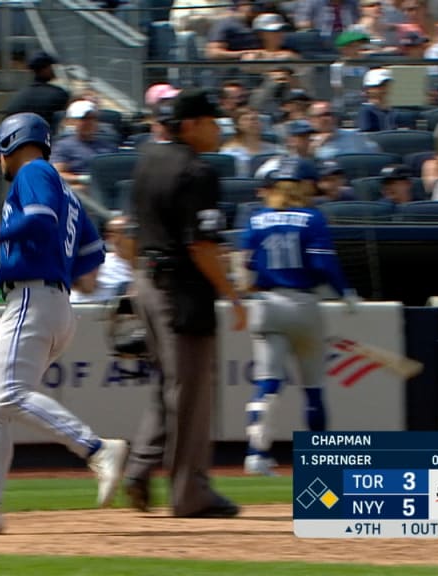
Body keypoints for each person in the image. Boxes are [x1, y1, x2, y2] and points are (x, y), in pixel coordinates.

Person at [0, 112, 127, 535]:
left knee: (6, 395)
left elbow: (40, 220)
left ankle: (96, 448)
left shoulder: (35, 170)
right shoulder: (69, 192)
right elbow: (93, 256)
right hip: (55, 301)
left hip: (32, 299)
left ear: (10, 142)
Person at [123, 88, 245, 518]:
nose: (218, 130)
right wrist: (233, 295)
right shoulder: (198, 172)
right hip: (183, 290)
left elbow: (128, 234)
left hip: (148, 282)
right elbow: (202, 247)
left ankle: (139, 469)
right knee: (191, 393)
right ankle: (190, 491)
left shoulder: (147, 159)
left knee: (167, 386)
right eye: (212, 122)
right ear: (190, 124)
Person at [235, 169, 359, 476]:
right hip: (304, 305)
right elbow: (322, 262)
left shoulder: (255, 219)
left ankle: (255, 454)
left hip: (266, 304)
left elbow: (245, 267)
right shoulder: (312, 218)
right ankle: (319, 456)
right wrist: (345, 291)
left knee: (268, 381)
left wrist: (250, 286)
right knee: (313, 387)